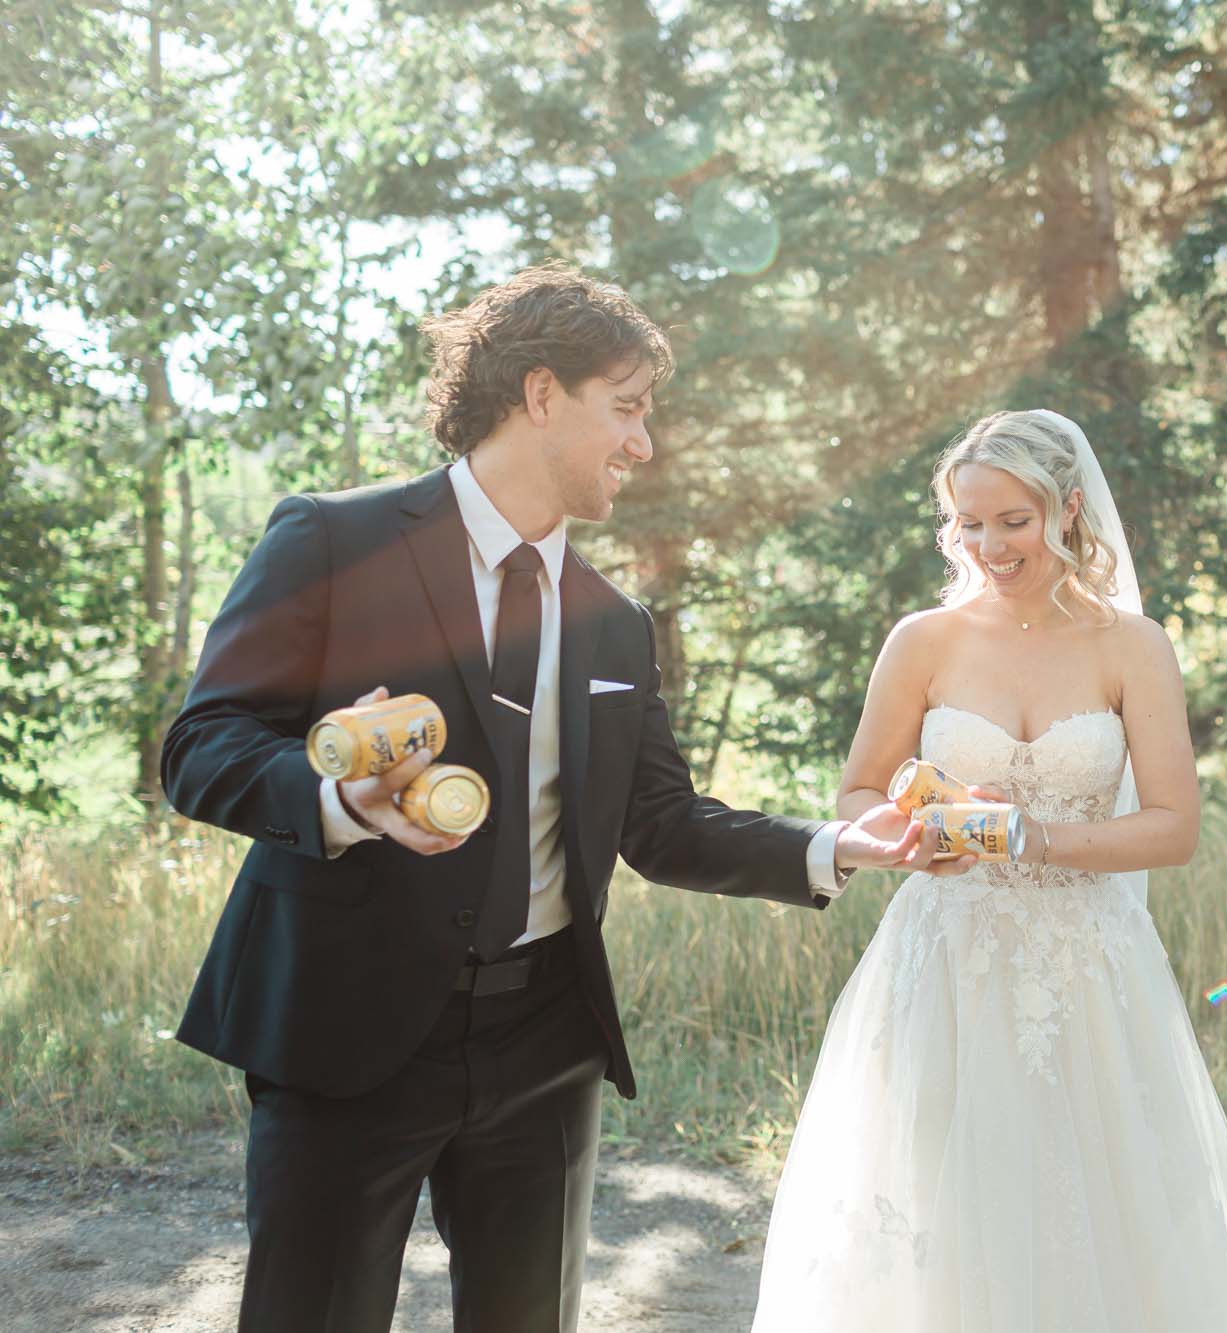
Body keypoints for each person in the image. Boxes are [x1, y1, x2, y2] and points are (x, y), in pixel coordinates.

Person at [161, 261, 941, 1333]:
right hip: (345, 1032)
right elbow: (202, 745)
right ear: (538, 394)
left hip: (544, 1042)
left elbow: (659, 825)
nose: (642, 443)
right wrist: (339, 800)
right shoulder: (332, 540)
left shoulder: (615, 621)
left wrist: (836, 845)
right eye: (625, 409)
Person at [748, 410, 1227, 1332]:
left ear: (1068, 508)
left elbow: (1173, 827)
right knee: (942, 1206)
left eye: (1013, 519)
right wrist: (908, 832)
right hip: (945, 962)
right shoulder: (922, 640)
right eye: (970, 521)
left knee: (1096, 1214)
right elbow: (855, 793)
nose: (989, 544)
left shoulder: (1133, 644)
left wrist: (1031, 836)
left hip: (1088, 969)